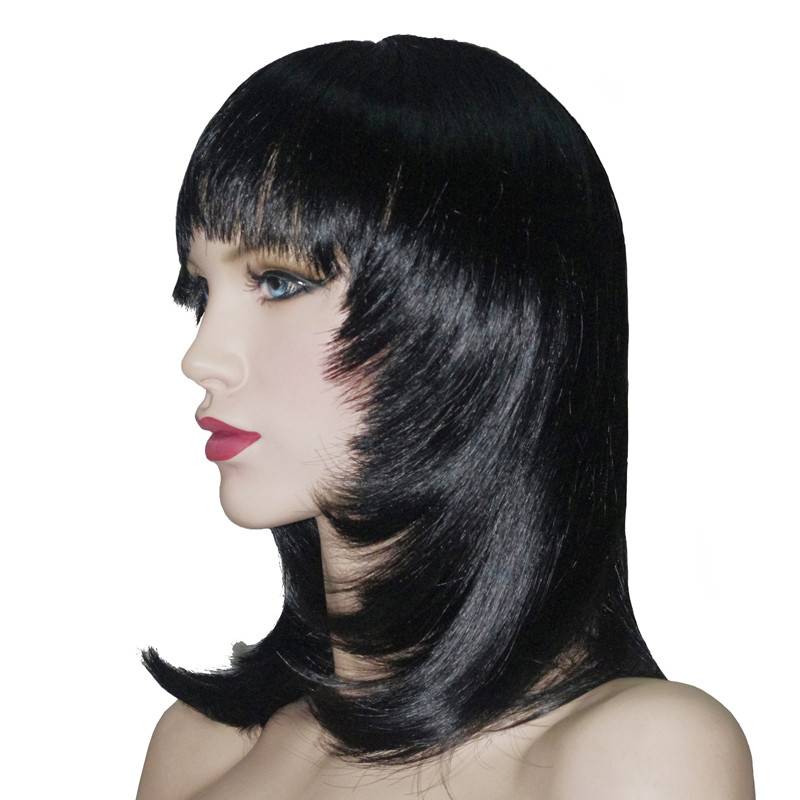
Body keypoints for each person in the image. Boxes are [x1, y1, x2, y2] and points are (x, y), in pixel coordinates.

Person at [135, 34, 755, 799]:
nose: (203, 356)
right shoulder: (198, 751)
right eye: (200, 293)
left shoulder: (636, 755)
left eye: (280, 281)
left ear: (473, 314)